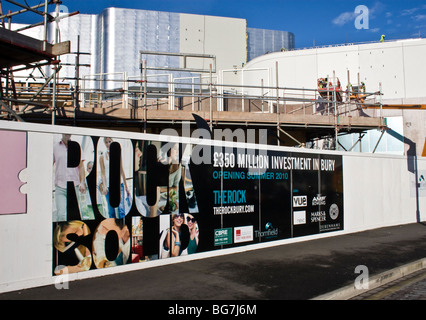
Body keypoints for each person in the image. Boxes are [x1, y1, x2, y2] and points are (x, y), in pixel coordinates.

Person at [53, 134, 86, 222]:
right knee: (61, 215)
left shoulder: (77, 146)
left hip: (74, 186)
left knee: (74, 216)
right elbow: (50, 165)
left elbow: (81, 166)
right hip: (60, 187)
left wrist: (82, 182)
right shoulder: (55, 147)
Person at [99, 137, 130, 219]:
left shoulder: (117, 154)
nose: (108, 143)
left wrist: (126, 187)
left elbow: (121, 169)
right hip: (108, 186)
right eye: (106, 142)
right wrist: (104, 186)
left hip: (119, 185)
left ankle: (122, 228)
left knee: (121, 209)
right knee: (111, 211)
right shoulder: (102, 157)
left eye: (110, 141)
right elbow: (102, 173)